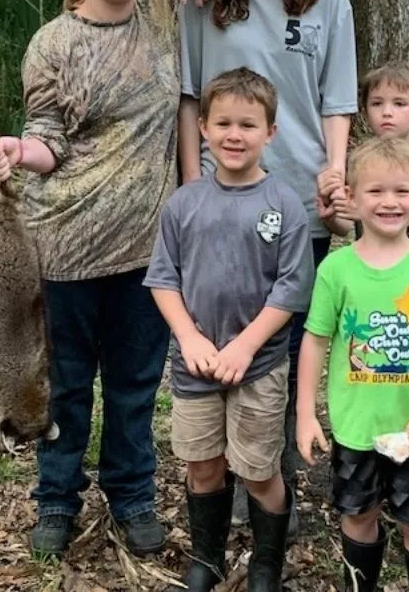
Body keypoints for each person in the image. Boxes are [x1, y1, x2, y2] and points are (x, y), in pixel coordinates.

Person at [0, 0, 181, 558]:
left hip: (146, 250)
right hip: (63, 248)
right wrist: (16, 149)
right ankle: (58, 499)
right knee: (65, 384)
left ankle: (132, 494)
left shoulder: (164, 17)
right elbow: (46, 137)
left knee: (134, 385)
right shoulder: (53, 43)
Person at [178, 0, 358, 530]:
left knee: (287, 341)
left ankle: (276, 475)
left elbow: (337, 95)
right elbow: (189, 98)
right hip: (220, 199)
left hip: (302, 197)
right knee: (222, 336)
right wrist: (192, 189)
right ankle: (214, 482)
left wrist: (334, 173)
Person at [144, 68, 314, 591]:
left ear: (271, 132)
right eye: (222, 123)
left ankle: (266, 566)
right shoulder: (184, 203)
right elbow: (163, 278)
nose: (234, 134)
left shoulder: (284, 204)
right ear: (204, 130)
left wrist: (244, 345)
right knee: (203, 466)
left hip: (257, 366)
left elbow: (291, 289)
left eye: (247, 124)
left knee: (260, 470)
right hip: (194, 364)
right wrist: (191, 338)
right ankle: (208, 560)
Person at [297, 137, 409, 592]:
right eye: (375, 191)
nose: (389, 202)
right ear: (351, 196)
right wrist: (306, 414)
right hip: (356, 427)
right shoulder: (337, 270)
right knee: (357, 515)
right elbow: (314, 341)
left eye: (401, 192)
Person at [318, 64, 409, 246]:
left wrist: (363, 212)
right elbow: (344, 227)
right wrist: (331, 214)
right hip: (367, 264)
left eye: (399, 103)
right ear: (365, 113)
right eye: (376, 103)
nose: (387, 112)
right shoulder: (356, 163)